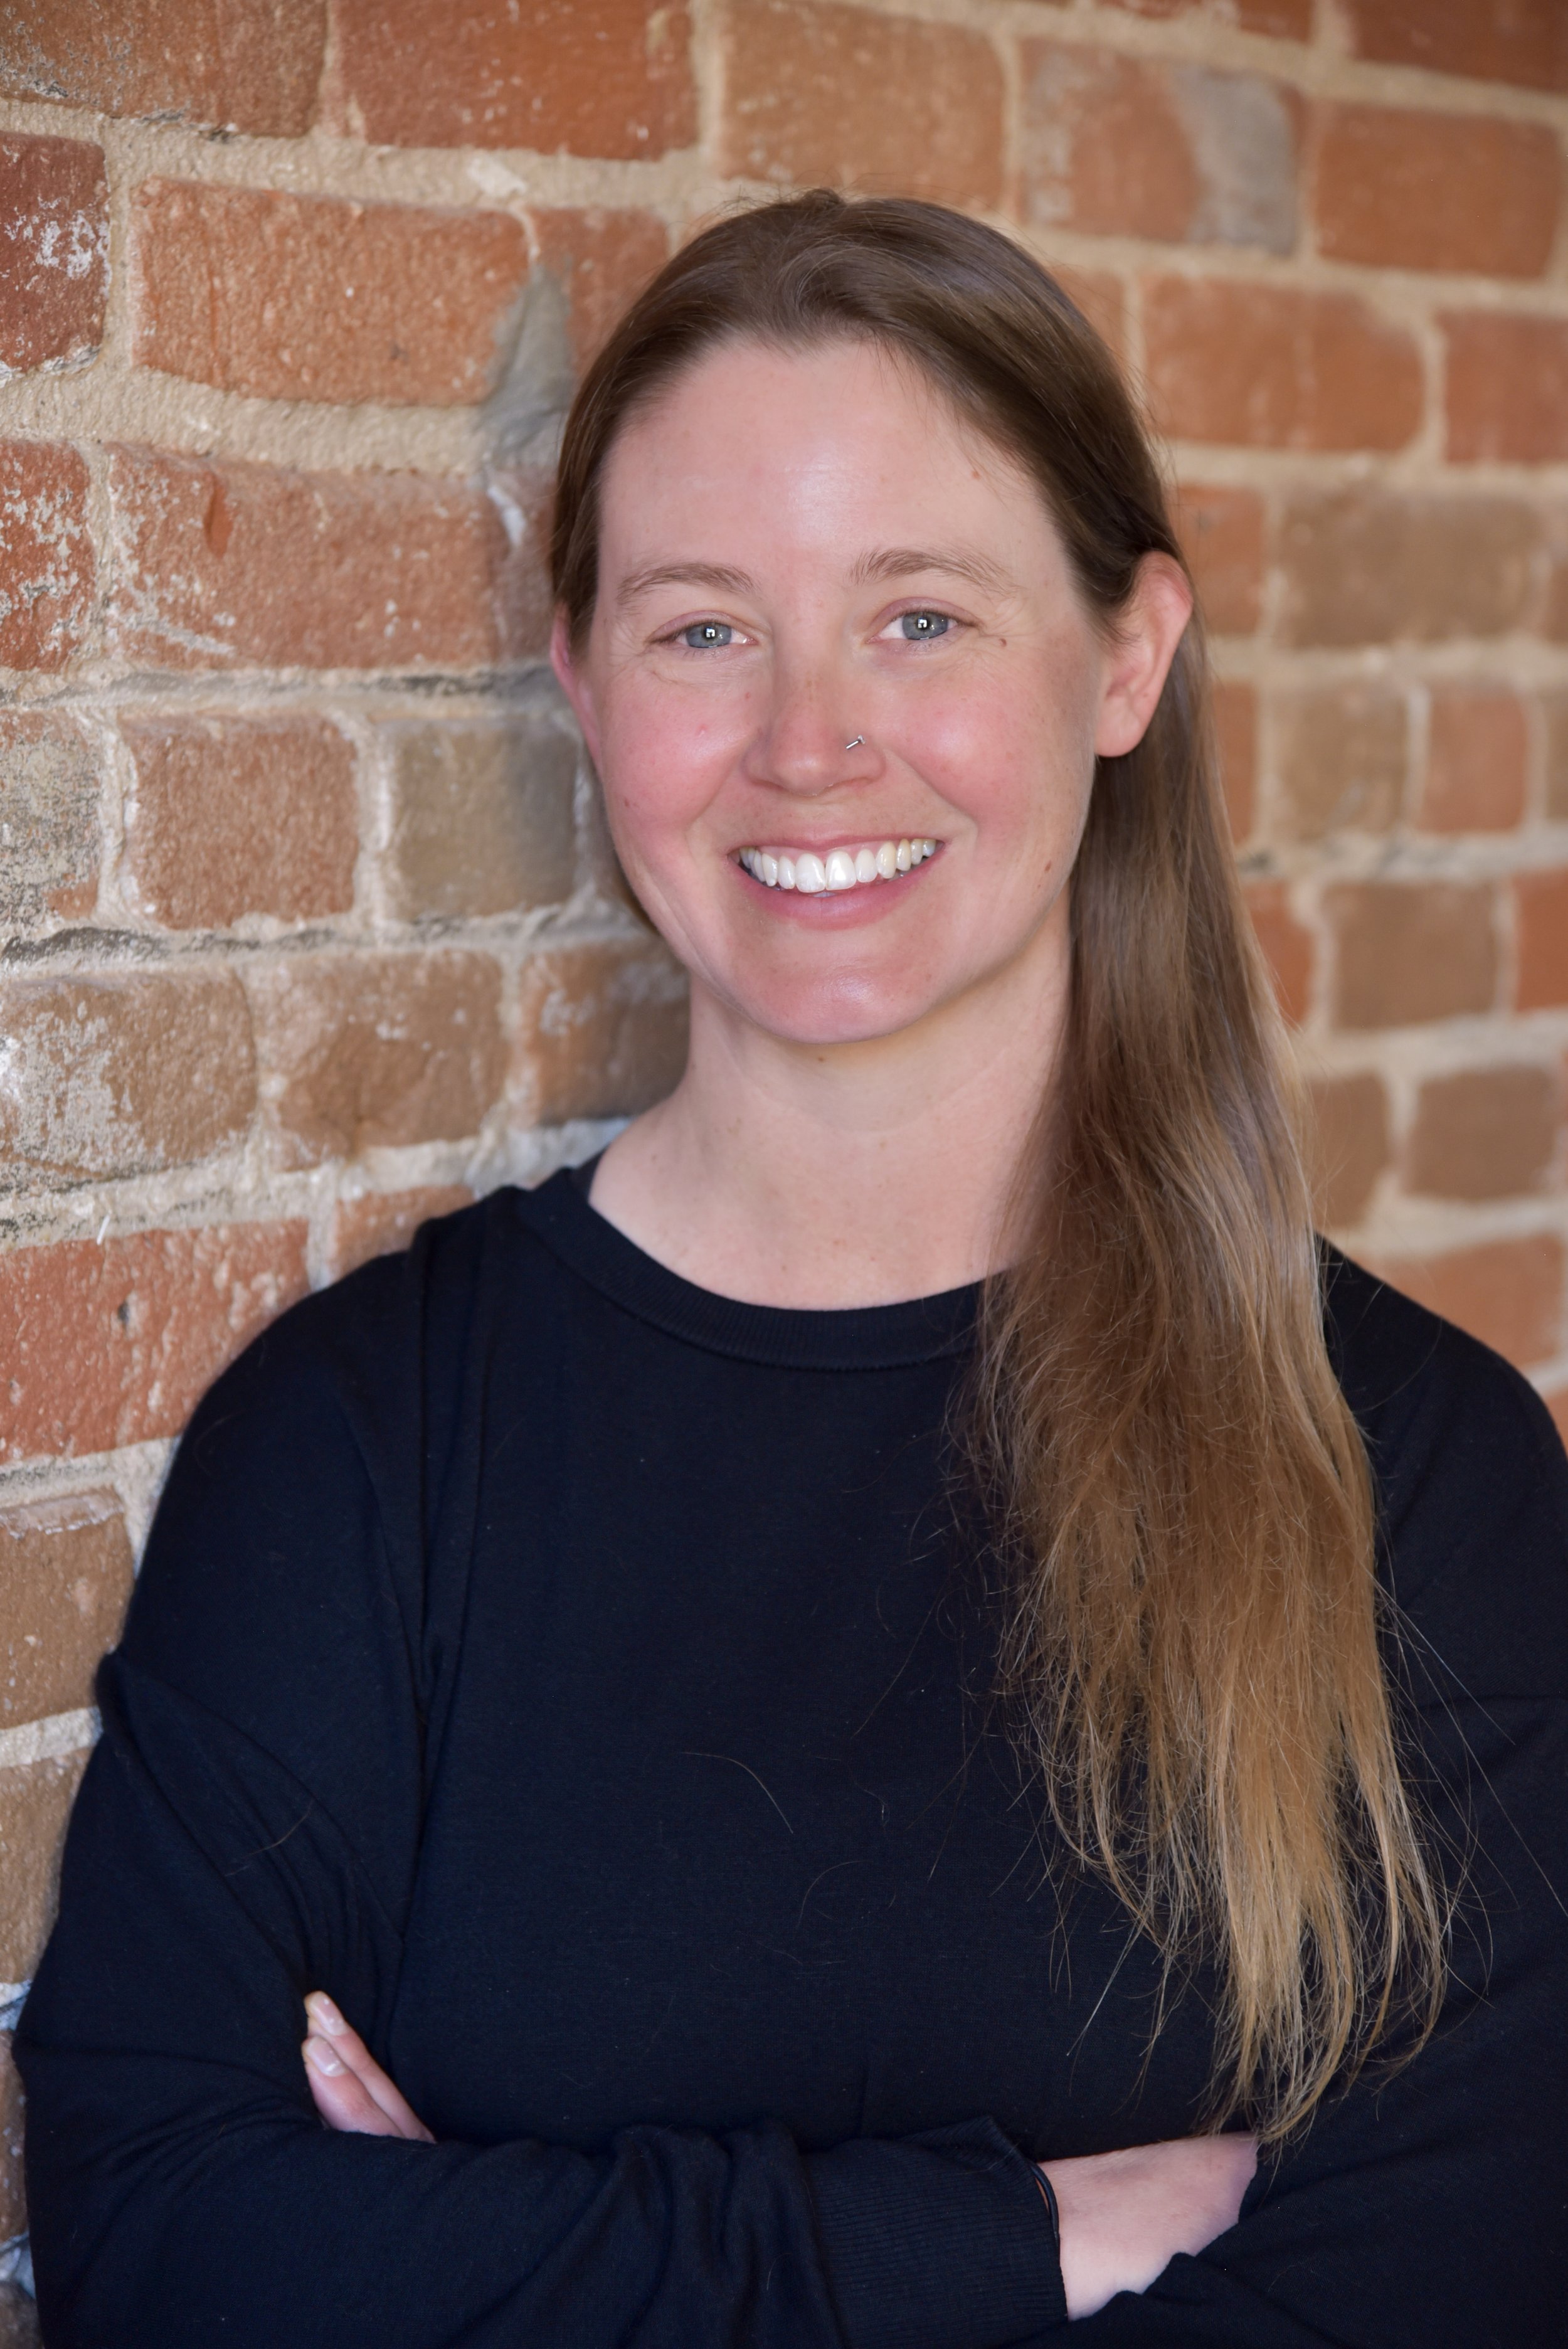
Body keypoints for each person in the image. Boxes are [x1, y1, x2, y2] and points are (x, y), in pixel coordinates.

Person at [18, 194, 1567, 2347]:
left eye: (920, 618)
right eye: (701, 629)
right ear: (581, 682)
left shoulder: (1422, 1478)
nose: (808, 741)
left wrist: (497, 2245)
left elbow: (1462, 2281)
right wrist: (1017, 2245)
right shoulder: (360, 1441)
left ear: (1126, 659)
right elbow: (164, 2252)